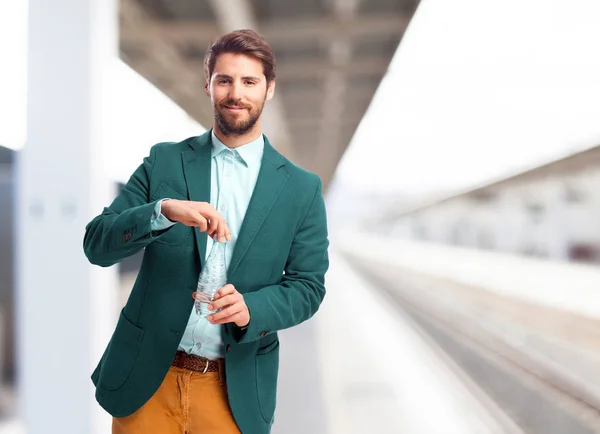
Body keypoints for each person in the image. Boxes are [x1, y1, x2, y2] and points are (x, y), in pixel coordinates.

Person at [83, 29, 329, 434]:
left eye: (250, 81)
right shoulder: (164, 162)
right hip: (148, 384)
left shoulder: (301, 189)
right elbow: (98, 244)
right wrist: (161, 211)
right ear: (209, 85)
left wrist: (254, 308)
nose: (236, 93)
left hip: (232, 393)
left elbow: (308, 287)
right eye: (225, 80)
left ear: (268, 89)